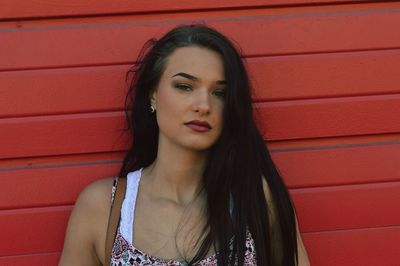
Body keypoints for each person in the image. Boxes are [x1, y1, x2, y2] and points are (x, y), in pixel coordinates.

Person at [59, 24, 310, 266]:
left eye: (219, 92)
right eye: (184, 86)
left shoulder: (256, 198)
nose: (203, 105)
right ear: (153, 94)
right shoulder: (104, 207)